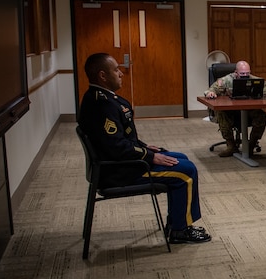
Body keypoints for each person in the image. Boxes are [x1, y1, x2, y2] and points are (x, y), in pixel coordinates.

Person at [78, 53, 211, 244]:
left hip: (118, 163)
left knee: (180, 157)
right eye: (115, 69)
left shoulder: (99, 97)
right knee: (187, 172)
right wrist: (150, 156)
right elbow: (116, 147)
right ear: (102, 76)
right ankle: (180, 231)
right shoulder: (102, 105)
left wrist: (144, 147)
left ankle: (176, 222)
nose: (121, 73)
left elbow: (116, 140)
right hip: (119, 171)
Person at [204, 60, 266, 157]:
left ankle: (251, 145)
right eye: (242, 73)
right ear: (236, 72)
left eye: (247, 73)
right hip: (230, 110)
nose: (245, 75)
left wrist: (259, 90)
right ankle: (231, 146)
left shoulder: (254, 79)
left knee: (260, 115)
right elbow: (212, 89)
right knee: (222, 113)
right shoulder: (226, 80)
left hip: (249, 110)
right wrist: (211, 93)